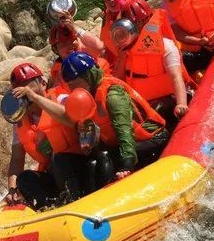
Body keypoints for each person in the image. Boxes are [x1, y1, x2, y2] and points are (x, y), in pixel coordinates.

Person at [58, 51, 170, 182]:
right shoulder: (87, 97)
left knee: (106, 157)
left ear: (89, 76)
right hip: (128, 144)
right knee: (86, 163)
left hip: (153, 139)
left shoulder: (113, 95)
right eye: (70, 86)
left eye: (76, 84)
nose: (74, 90)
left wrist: (127, 163)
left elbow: (124, 130)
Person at [4, 62, 78, 209]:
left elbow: (71, 119)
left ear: (43, 84)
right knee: (24, 178)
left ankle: (76, 201)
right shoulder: (21, 121)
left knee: (60, 161)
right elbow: (17, 159)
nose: (24, 94)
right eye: (19, 90)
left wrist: (35, 98)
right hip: (55, 174)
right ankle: (49, 208)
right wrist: (12, 189)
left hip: (80, 165)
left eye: (27, 87)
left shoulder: (61, 99)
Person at [108, 14, 191, 126]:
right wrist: (122, 57)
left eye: (139, 22)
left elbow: (176, 77)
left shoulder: (165, 45)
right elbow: (118, 81)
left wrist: (181, 104)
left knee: (160, 109)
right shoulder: (124, 51)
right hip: (142, 105)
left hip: (168, 99)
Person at [92, 0, 177, 67]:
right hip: (123, 63)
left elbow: (131, 15)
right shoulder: (108, 16)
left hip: (147, 58)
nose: (112, 0)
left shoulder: (136, 4)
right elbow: (108, 47)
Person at [48, 15, 110, 88]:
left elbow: (99, 47)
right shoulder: (59, 71)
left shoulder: (86, 52)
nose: (70, 46)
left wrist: (75, 28)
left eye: (72, 40)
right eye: (63, 44)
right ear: (55, 50)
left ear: (78, 40)